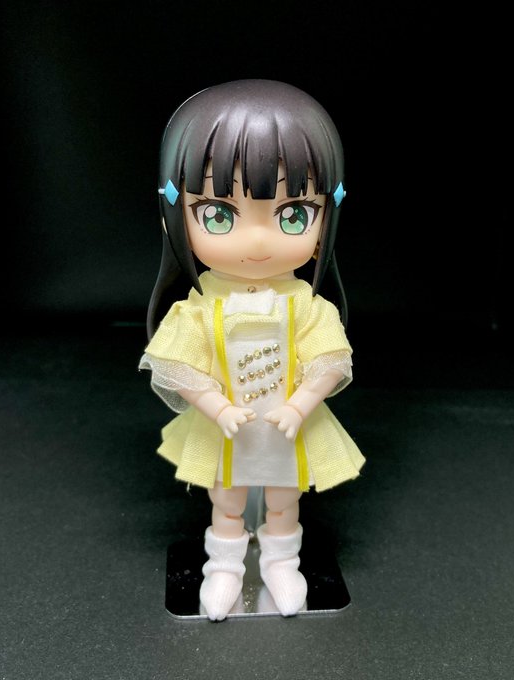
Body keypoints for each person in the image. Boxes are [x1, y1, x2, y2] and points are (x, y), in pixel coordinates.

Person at [139, 79, 365, 621]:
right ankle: (224, 567)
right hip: (228, 427)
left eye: (293, 215)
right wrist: (216, 406)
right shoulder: (200, 308)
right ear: (176, 214)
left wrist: (300, 404)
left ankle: (282, 563)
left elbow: (329, 360)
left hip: (287, 423)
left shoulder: (305, 306)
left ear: (326, 219)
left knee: (285, 498)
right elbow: (180, 365)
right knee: (227, 497)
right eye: (219, 214)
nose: (258, 242)